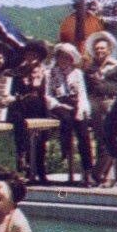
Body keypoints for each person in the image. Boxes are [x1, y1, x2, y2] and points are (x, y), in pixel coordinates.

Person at [83, 31, 117, 187]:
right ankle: (106, 175)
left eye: (102, 48)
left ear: (109, 49)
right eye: (97, 49)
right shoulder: (90, 69)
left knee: (114, 138)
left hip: (114, 104)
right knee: (102, 139)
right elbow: (86, 90)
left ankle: (105, 174)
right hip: (97, 106)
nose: (99, 51)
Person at [47, 43, 94, 186]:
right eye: (61, 57)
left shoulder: (77, 73)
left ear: (71, 59)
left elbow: (82, 94)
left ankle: (87, 171)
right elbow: (47, 94)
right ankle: (65, 150)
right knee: (66, 119)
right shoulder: (50, 73)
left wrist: (81, 109)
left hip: (75, 103)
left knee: (83, 131)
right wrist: (58, 104)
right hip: (58, 103)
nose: (63, 60)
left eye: (67, 58)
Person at [8, 40, 50, 183]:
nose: (31, 58)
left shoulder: (45, 72)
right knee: (23, 136)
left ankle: (41, 172)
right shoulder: (18, 72)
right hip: (22, 109)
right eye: (29, 55)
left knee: (40, 140)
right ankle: (26, 169)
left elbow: (46, 93)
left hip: (40, 108)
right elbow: (14, 92)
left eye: (34, 55)